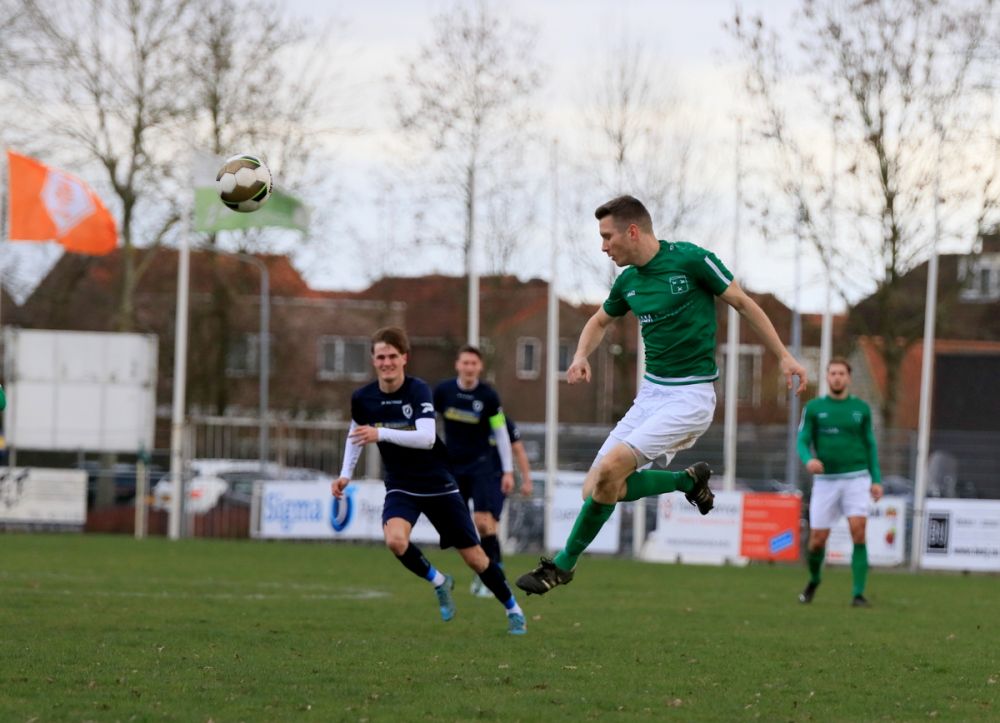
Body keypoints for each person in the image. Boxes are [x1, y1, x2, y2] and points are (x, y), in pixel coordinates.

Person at [516, 195, 808, 596]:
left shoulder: (691, 260)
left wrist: (785, 357)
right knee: (597, 490)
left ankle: (561, 566)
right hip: (651, 395)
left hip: (690, 397)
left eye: (607, 237)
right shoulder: (628, 282)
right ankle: (685, 482)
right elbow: (600, 320)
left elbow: (742, 302)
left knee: (612, 469)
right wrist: (582, 354)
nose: (603, 247)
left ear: (632, 231)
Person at [332, 327, 527, 634]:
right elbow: (355, 436)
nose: (386, 362)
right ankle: (439, 581)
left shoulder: (423, 390)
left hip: (439, 481)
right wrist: (345, 474)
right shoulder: (365, 398)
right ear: (373, 360)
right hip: (400, 483)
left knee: (476, 558)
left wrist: (508, 469)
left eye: (392, 356)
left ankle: (512, 607)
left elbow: (426, 438)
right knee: (396, 541)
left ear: (404, 358)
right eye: (381, 357)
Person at [796, 357, 882, 607]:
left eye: (841, 373)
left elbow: (870, 445)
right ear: (827, 377)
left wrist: (876, 480)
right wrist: (808, 459)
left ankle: (858, 594)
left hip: (857, 479)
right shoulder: (814, 408)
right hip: (826, 482)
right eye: (833, 373)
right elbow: (802, 439)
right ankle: (814, 579)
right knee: (817, 541)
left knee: (859, 532)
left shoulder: (861, 409)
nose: (837, 377)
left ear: (849, 378)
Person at [433, 345, 517, 597]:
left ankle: (493, 573)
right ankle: (484, 568)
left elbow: (501, 434)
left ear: (480, 367)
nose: (469, 367)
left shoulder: (489, 397)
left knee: (483, 522)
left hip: (481, 465)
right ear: (457, 365)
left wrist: (508, 471)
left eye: (474, 363)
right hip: (452, 467)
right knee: (457, 524)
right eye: (465, 363)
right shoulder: (443, 392)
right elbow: (428, 424)